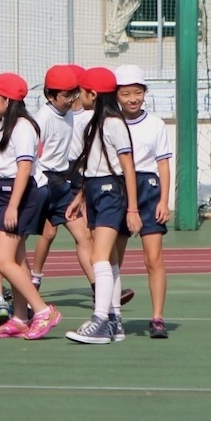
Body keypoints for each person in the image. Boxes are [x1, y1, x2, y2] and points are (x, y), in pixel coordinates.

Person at [0, 73, 63, 341]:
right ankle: (20, 317)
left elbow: (24, 168)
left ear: (8, 99)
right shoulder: (7, 125)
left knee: (2, 260)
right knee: (16, 260)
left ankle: (42, 310)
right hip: (7, 194)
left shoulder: (23, 127)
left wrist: (13, 206)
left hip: (19, 195)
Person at [65, 67, 141, 345]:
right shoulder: (92, 123)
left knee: (98, 257)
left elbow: (128, 168)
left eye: (81, 92)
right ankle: (114, 320)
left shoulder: (113, 123)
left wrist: (132, 209)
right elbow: (94, 165)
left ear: (93, 94)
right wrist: (81, 195)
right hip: (95, 190)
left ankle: (100, 320)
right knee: (109, 259)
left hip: (111, 192)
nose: (79, 97)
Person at [113, 65, 172, 338]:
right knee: (113, 258)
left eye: (138, 92)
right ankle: (112, 314)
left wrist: (164, 201)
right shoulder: (110, 122)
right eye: (126, 94)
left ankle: (157, 317)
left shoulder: (156, 124)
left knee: (154, 259)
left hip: (148, 190)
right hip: (118, 190)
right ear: (116, 95)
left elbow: (163, 165)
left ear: (145, 92)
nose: (133, 99)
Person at [29, 65, 96, 295]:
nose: (71, 99)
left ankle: (99, 289)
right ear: (50, 95)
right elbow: (32, 153)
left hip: (62, 184)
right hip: (42, 182)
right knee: (18, 240)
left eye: (73, 93)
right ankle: (23, 286)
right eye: (66, 95)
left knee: (83, 235)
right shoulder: (42, 119)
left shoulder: (69, 114)